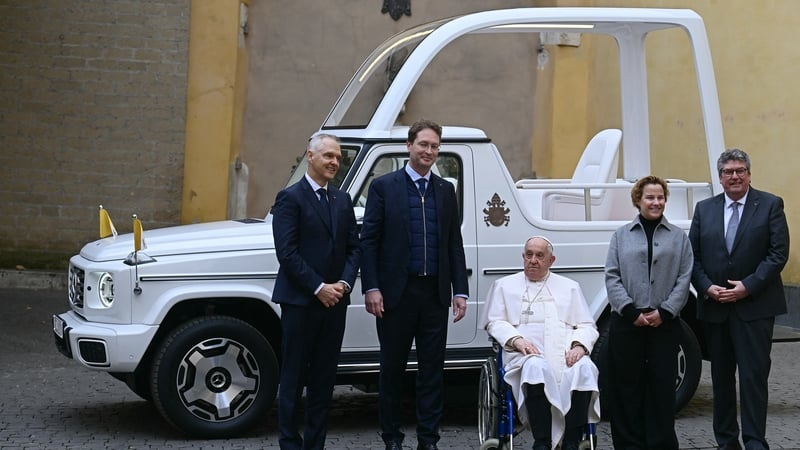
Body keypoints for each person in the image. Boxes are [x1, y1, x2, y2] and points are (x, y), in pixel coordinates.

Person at [360, 118, 469, 450]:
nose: (429, 151)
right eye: (423, 144)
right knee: (392, 370)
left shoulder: (445, 190)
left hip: (434, 295)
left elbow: (453, 242)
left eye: (435, 146)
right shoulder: (384, 187)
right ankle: (392, 438)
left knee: (431, 372)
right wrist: (371, 287)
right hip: (396, 295)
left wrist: (459, 290)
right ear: (409, 146)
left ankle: (428, 439)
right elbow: (369, 242)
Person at [689, 149, 789, 450]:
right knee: (721, 379)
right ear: (720, 177)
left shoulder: (770, 204)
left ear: (749, 174)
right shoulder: (704, 209)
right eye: (728, 171)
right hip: (716, 308)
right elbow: (692, 257)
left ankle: (755, 440)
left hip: (755, 308)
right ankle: (726, 441)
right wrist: (706, 287)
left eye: (740, 170)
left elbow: (778, 253)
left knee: (753, 377)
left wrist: (748, 286)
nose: (735, 176)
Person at [271, 133, 360, 450]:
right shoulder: (290, 199)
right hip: (300, 303)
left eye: (337, 157)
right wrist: (318, 287)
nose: (335, 162)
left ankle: (315, 444)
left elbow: (354, 249)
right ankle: (290, 444)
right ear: (310, 156)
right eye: (328, 156)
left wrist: (343, 285)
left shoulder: (342, 200)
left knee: (324, 380)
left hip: (335, 304)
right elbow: (287, 253)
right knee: (293, 378)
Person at [481, 236, 600, 450]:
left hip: (564, 353)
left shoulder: (570, 287)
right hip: (524, 354)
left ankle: (571, 442)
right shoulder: (504, 286)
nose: (533, 260)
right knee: (536, 368)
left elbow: (587, 325)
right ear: (523, 257)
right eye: (529, 255)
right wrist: (516, 340)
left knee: (585, 369)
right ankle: (542, 441)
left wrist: (579, 346)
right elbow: (494, 321)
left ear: (551, 260)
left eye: (539, 255)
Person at [604, 175, 693, 450]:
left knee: (661, 389)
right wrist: (631, 311)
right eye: (650, 197)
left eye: (660, 197)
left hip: (663, 325)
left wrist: (665, 312)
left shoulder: (679, 238)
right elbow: (612, 276)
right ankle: (629, 444)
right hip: (628, 323)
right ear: (638, 200)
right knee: (627, 388)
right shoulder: (620, 236)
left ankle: (660, 443)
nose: (656, 202)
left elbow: (684, 277)